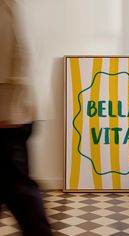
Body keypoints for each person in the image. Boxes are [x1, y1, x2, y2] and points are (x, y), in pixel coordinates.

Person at [0, 1, 53, 235]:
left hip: (8, 112)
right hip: (13, 110)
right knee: (15, 184)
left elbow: (24, 52)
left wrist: (11, 108)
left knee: (18, 187)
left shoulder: (10, 6)